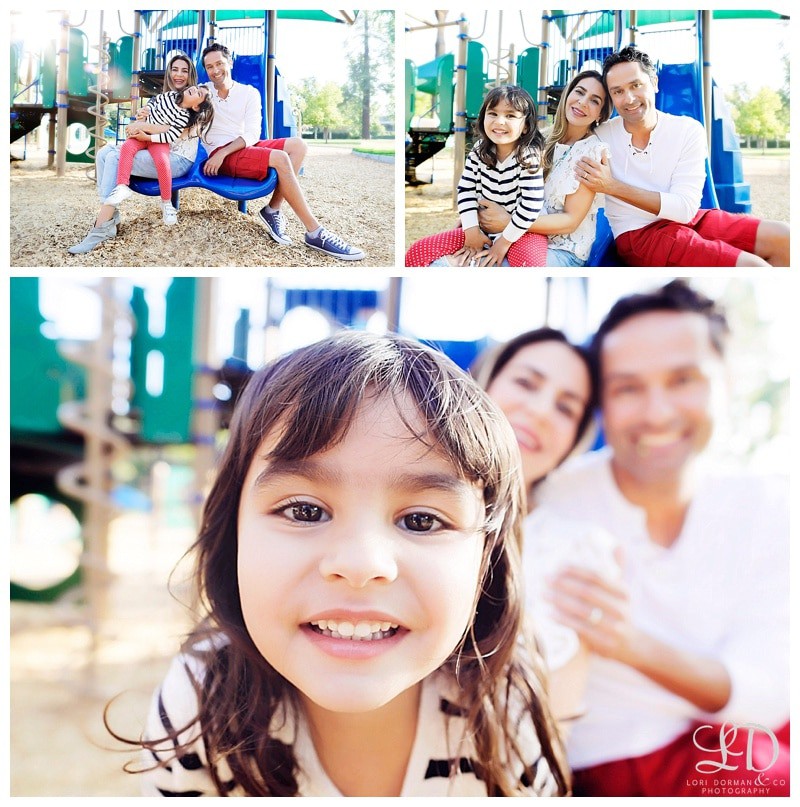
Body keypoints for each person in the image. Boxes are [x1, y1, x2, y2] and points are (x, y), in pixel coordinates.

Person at [111, 331, 569, 796]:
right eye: (305, 510)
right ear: (233, 533)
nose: (361, 564)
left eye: (422, 520)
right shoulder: (200, 699)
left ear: (485, 563)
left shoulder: (504, 705)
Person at [536, 280, 790, 796]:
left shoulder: (768, 505)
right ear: (601, 400)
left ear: (727, 382)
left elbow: (769, 694)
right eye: (628, 387)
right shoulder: (555, 501)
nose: (656, 412)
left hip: (745, 740)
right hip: (617, 758)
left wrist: (632, 646)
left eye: (682, 379)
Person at [473, 328, 618, 729]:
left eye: (566, 408)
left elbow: (557, 725)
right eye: (525, 382)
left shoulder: (577, 554)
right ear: (483, 382)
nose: (539, 410)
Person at [575, 46, 790, 266]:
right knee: (753, 267)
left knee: (785, 236)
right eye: (618, 91)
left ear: (655, 83)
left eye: (636, 85)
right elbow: (561, 143)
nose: (629, 98)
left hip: (689, 218)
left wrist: (611, 186)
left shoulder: (688, 130)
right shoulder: (600, 136)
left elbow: (685, 208)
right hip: (637, 233)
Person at [407, 73, 613, 268]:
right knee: (425, 254)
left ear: (601, 114)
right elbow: (471, 188)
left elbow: (569, 221)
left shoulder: (589, 152)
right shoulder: (538, 138)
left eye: (595, 100)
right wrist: (470, 223)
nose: (583, 102)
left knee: (483, 266)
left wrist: (506, 223)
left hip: (553, 245)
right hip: (502, 229)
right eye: (579, 92)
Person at [200, 42, 364, 261]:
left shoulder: (249, 93)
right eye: (209, 66)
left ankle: (273, 209)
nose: (215, 70)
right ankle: (314, 231)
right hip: (219, 153)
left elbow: (251, 134)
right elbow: (178, 107)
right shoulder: (203, 92)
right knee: (279, 158)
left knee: (298, 146)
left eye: (219, 63)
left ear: (230, 62)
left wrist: (226, 152)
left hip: (241, 145)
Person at [68, 53, 202, 254]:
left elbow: (171, 132)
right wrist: (143, 115)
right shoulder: (163, 100)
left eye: (184, 71)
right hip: (153, 150)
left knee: (115, 155)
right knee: (104, 152)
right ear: (169, 73)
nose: (179, 75)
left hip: (177, 159)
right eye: (174, 69)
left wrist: (142, 124)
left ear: (191, 75)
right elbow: (151, 118)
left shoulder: (194, 106)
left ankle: (101, 226)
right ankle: (110, 216)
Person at [405, 85, 548, 267]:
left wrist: (503, 243)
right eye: (493, 114)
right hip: (483, 228)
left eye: (510, 116)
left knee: (531, 265)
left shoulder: (529, 156)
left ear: (526, 126)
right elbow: (466, 191)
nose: (500, 121)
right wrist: (471, 231)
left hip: (521, 232)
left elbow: (531, 206)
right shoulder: (479, 150)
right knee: (417, 251)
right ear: (483, 118)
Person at [102, 84, 213, 225]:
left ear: (196, 107)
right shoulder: (170, 96)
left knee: (162, 162)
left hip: (157, 140)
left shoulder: (184, 116)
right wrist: (145, 111)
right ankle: (122, 186)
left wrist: (148, 138)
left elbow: (170, 135)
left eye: (199, 94)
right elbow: (154, 103)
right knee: (126, 148)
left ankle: (166, 203)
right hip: (141, 135)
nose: (195, 90)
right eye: (197, 88)